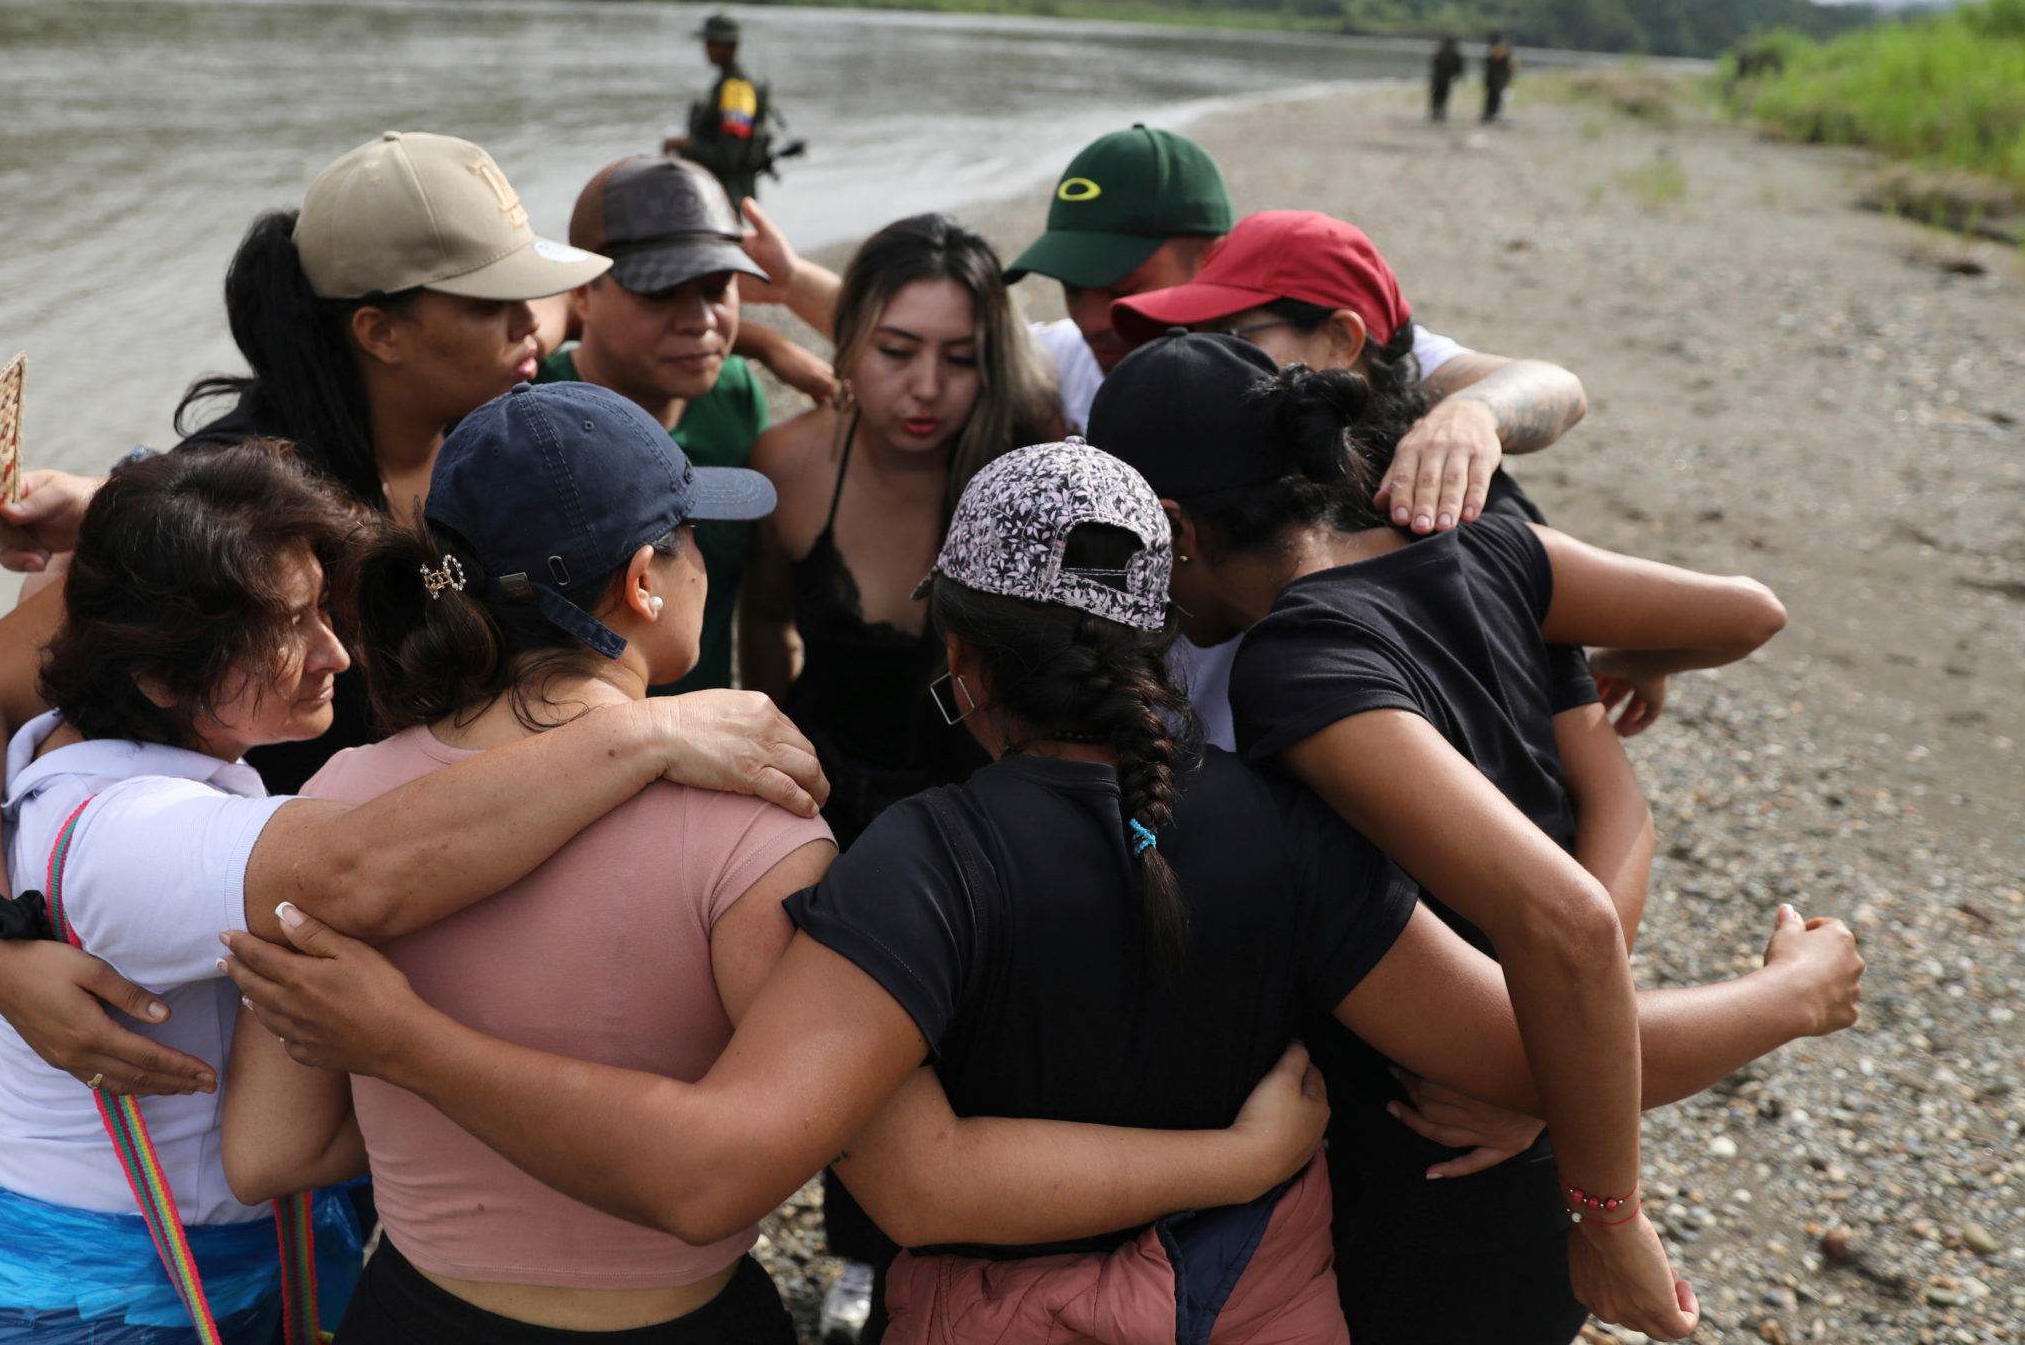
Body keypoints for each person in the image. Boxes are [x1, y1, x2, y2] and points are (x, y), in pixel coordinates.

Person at [219, 442, 1862, 1345]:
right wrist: (1781, 1000)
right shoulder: (1288, 831)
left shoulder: (924, 860)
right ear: (1161, 635)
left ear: (956, 656)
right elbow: (1527, 1050)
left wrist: (409, 1041)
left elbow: (842, 1180)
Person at [0, 439, 816, 1342]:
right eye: (286, 628)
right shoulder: (128, 835)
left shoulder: (145, 768)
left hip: (202, 1252)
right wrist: (643, 736)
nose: (335, 653)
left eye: (322, 609)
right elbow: (358, 871)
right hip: (100, 1290)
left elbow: (273, 1147)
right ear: (160, 676)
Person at [1086, 335, 1798, 1342]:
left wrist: (1612, 1220)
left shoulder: (1294, 660)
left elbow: (1565, 919)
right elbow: (1745, 615)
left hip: (1430, 1165)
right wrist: (1630, 661)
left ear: (1173, 527)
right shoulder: (1488, 546)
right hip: (1542, 1114)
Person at [210, 382, 834, 1343]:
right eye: (694, 538)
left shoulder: (338, 813)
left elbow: (267, 1149)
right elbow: (781, 1150)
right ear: (643, 581)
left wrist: (432, 1134)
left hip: (416, 1314)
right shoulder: (757, 821)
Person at [0, 130, 612, 793]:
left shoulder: (479, 396)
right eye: (493, 302)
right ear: (379, 331)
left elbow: (548, 313)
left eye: (529, 292)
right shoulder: (238, 502)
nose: (530, 325)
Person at [728, 124, 1586, 542]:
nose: (1099, 320)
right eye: (1076, 289)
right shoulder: (1073, 359)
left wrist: (1472, 418)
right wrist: (789, 292)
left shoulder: (1302, 348)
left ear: (1215, 258)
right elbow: (941, 341)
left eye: (1126, 286)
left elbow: (1551, 384)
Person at [1108, 208, 1602, 750]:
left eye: (1230, 333)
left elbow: (1558, 388)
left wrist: (1472, 414)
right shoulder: (1210, 436)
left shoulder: (1439, 500)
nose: (1208, 356)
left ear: (1341, 339)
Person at [739, 213, 1059, 840]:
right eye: (896, 352)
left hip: (982, 814)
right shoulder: (790, 463)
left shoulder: (1026, 459)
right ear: (849, 340)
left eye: (961, 359)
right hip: (817, 805)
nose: (928, 387)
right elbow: (765, 619)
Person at [533, 156, 794, 694]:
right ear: (582, 292)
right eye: (659, 293)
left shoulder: (735, 395)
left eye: (718, 288)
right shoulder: (532, 419)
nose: (698, 319)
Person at [666, 12, 789, 209]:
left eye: (712, 42)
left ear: (730, 46)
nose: (707, 48)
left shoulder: (736, 92)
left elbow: (729, 155)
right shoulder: (725, 85)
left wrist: (685, 144)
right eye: (707, 42)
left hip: (729, 197)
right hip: (719, 193)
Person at [1429, 36, 1465, 122]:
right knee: (1443, 95)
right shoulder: (1454, 53)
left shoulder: (1440, 52)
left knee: (1437, 95)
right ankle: (1440, 112)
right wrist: (1459, 75)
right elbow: (1459, 67)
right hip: (1445, 78)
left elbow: (1434, 64)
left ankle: (1436, 112)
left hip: (1439, 77)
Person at [1484, 32, 1516, 122]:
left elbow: (1497, 62)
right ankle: (1490, 113)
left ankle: (1491, 114)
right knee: (1493, 96)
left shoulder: (1499, 49)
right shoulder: (1499, 48)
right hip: (1496, 77)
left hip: (1497, 77)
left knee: (1494, 96)